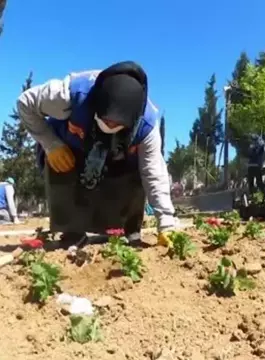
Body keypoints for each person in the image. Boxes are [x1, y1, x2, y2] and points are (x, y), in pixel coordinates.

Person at [17, 61, 176, 249]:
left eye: (117, 124)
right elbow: (25, 103)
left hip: (116, 157)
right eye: (106, 120)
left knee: (138, 169)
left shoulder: (147, 127)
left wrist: (166, 223)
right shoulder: (68, 95)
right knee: (60, 160)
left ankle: (125, 231)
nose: (110, 126)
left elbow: (154, 173)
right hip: (70, 148)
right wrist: (51, 145)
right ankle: (72, 231)